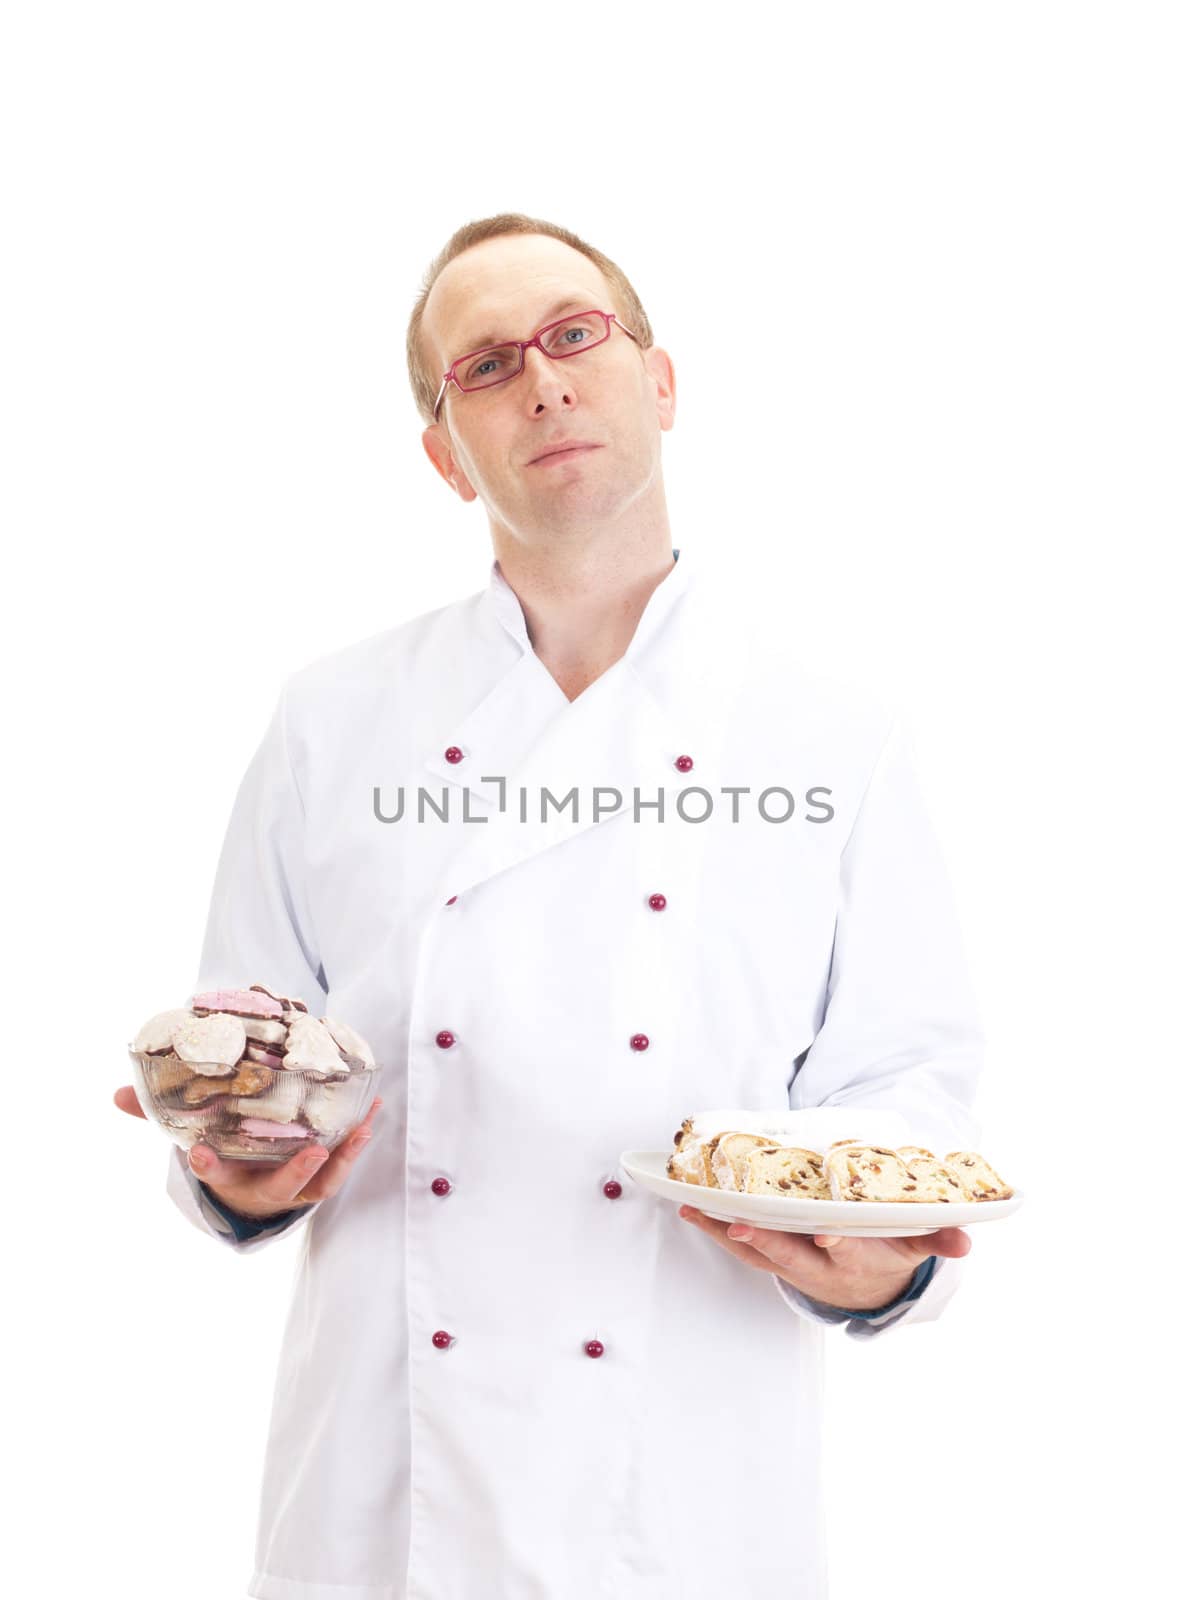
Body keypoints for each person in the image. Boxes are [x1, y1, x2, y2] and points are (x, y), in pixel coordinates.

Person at [115, 211, 985, 1600]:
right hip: (390, 1496)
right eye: (486, 364)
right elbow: (249, 1053)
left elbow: (910, 1096)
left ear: (660, 382)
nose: (545, 380)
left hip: (690, 1485)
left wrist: (873, 1272)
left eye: (577, 334)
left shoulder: (835, 735)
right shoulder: (331, 724)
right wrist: (232, 1169)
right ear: (444, 454)